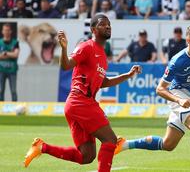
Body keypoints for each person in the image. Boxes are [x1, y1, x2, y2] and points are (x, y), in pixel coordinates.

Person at [23, 14, 142, 172]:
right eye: (103, 24)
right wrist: (64, 48)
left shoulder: (102, 56)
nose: (108, 26)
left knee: (87, 156)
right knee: (110, 140)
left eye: (109, 24)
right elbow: (66, 66)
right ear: (93, 29)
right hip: (81, 102)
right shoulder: (86, 47)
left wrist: (127, 75)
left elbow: (104, 82)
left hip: (76, 105)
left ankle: (42, 147)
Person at [114, 25, 190, 172]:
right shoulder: (177, 61)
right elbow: (160, 89)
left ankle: (125, 144)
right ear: (189, 41)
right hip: (177, 95)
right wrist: (178, 101)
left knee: (168, 144)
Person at [0, 24, 19, 101]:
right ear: (2, 31)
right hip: (1, 70)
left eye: (8, 30)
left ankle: (15, 108)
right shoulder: (0, 42)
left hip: (12, 71)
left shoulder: (15, 42)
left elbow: (16, 55)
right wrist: (10, 54)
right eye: (5, 30)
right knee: (0, 90)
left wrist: (5, 53)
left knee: (13, 91)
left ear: (10, 31)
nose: (6, 32)